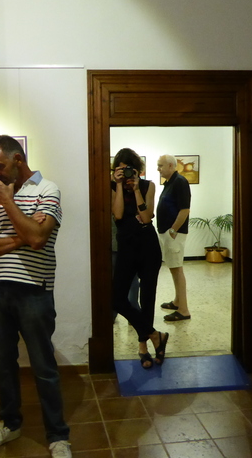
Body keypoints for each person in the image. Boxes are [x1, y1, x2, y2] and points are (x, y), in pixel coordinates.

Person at [0, 135, 71, 458]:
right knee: (2, 362)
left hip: (33, 290)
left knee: (43, 365)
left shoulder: (48, 190)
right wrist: (20, 237)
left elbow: (39, 239)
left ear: (18, 159)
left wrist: (9, 205)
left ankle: (57, 435)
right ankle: (9, 423)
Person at [111, 148, 169, 370]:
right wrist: (118, 185)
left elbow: (145, 218)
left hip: (148, 246)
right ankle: (155, 335)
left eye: (129, 169)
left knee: (147, 298)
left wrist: (136, 190)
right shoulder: (112, 187)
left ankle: (143, 347)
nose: (125, 173)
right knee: (117, 299)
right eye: (121, 169)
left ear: (137, 170)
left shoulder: (147, 186)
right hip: (126, 248)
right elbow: (118, 215)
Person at [156, 154, 192, 321]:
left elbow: (185, 209)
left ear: (171, 165)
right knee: (173, 267)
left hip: (174, 234)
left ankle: (183, 310)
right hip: (169, 233)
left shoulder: (180, 182)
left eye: (160, 165)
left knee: (177, 269)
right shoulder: (170, 182)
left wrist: (173, 230)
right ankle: (177, 301)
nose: (158, 169)